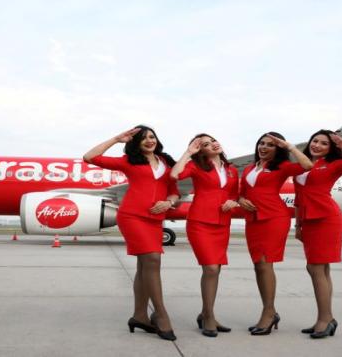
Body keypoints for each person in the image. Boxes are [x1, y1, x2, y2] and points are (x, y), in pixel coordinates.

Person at [83, 125, 180, 341]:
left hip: (155, 219)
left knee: (144, 266)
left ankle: (139, 316)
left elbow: (174, 191)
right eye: (143, 138)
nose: (149, 140)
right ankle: (162, 315)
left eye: (152, 136)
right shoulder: (129, 161)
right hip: (133, 216)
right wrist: (117, 138)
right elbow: (90, 157)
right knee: (153, 260)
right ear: (135, 143)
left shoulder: (167, 162)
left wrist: (168, 202)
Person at [238, 132, 313, 335]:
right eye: (261, 143)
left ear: (277, 149)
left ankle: (268, 313)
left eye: (270, 145)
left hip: (273, 218)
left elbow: (307, 166)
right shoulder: (248, 169)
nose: (263, 147)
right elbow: (242, 192)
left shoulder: (282, 167)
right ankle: (270, 311)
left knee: (265, 263)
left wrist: (290, 147)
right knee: (258, 265)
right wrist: (241, 200)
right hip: (253, 220)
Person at [293, 129, 342, 339]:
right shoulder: (301, 166)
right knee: (321, 269)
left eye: (324, 143)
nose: (317, 145)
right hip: (309, 220)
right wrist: (298, 226)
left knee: (315, 267)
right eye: (314, 140)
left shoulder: (334, 165)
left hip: (326, 219)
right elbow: (298, 200)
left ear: (331, 148)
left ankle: (325, 319)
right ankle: (325, 319)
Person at [170, 133, 239, 337]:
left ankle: (207, 313)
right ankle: (208, 316)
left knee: (215, 270)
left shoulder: (232, 169)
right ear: (201, 151)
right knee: (210, 268)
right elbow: (175, 175)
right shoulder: (196, 166)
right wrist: (188, 153)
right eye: (206, 145)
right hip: (200, 222)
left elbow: (235, 193)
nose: (213, 145)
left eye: (213, 140)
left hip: (222, 223)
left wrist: (233, 201)